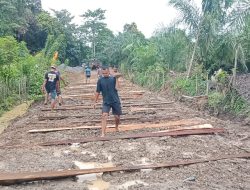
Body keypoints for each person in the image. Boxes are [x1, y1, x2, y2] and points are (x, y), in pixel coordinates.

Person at [94, 67, 122, 137]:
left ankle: (116, 126)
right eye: (103, 73)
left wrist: (117, 79)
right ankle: (103, 133)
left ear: (109, 72)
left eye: (106, 73)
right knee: (104, 116)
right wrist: (95, 101)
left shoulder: (113, 78)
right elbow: (97, 91)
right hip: (106, 102)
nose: (104, 74)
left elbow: (118, 88)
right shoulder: (100, 80)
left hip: (115, 101)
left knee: (117, 117)